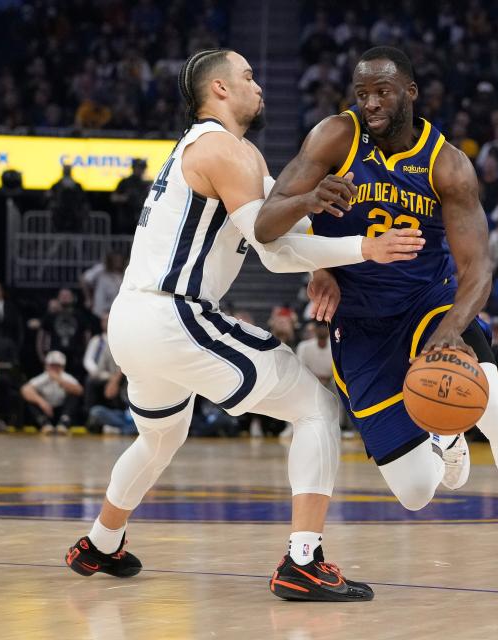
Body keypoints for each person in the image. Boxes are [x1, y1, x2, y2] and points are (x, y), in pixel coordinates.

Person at [64, 48, 422, 601]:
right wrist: (365, 248)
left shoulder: (217, 150)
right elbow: (270, 244)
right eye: (249, 77)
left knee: (160, 437)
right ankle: (304, 560)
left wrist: (324, 263)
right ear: (221, 91)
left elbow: (282, 233)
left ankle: (101, 541)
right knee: (317, 407)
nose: (260, 85)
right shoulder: (224, 149)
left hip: (133, 322)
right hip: (174, 314)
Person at [256, 46, 498, 614]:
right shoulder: (336, 137)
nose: (371, 104)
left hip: (426, 304)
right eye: (362, 94)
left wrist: (453, 329)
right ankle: (444, 436)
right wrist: (312, 205)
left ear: (410, 91)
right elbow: (266, 224)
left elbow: (477, 270)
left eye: (382, 92)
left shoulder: (447, 165)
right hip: (358, 322)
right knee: (415, 494)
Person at [21, 350, 83, 434]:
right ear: (47, 366)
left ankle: (63, 423)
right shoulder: (43, 378)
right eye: (52, 365)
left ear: (62, 367)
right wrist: (42, 402)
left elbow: (79, 391)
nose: (54, 368)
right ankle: (45, 424)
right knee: (31, 401)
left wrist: (59, 380)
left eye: (57, 366)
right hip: (46, 411)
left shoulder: (66, 377)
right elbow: (25, 390)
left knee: (73, 396)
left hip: (61, 411)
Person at [111, 158, 151, 232]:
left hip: (141, 220)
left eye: (143, 168)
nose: (141, 170)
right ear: (134, 168)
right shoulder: (125, 182)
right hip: (126, 219)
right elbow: (113, 197)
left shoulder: (147, 184)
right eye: (139, 167)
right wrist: (124, 198)